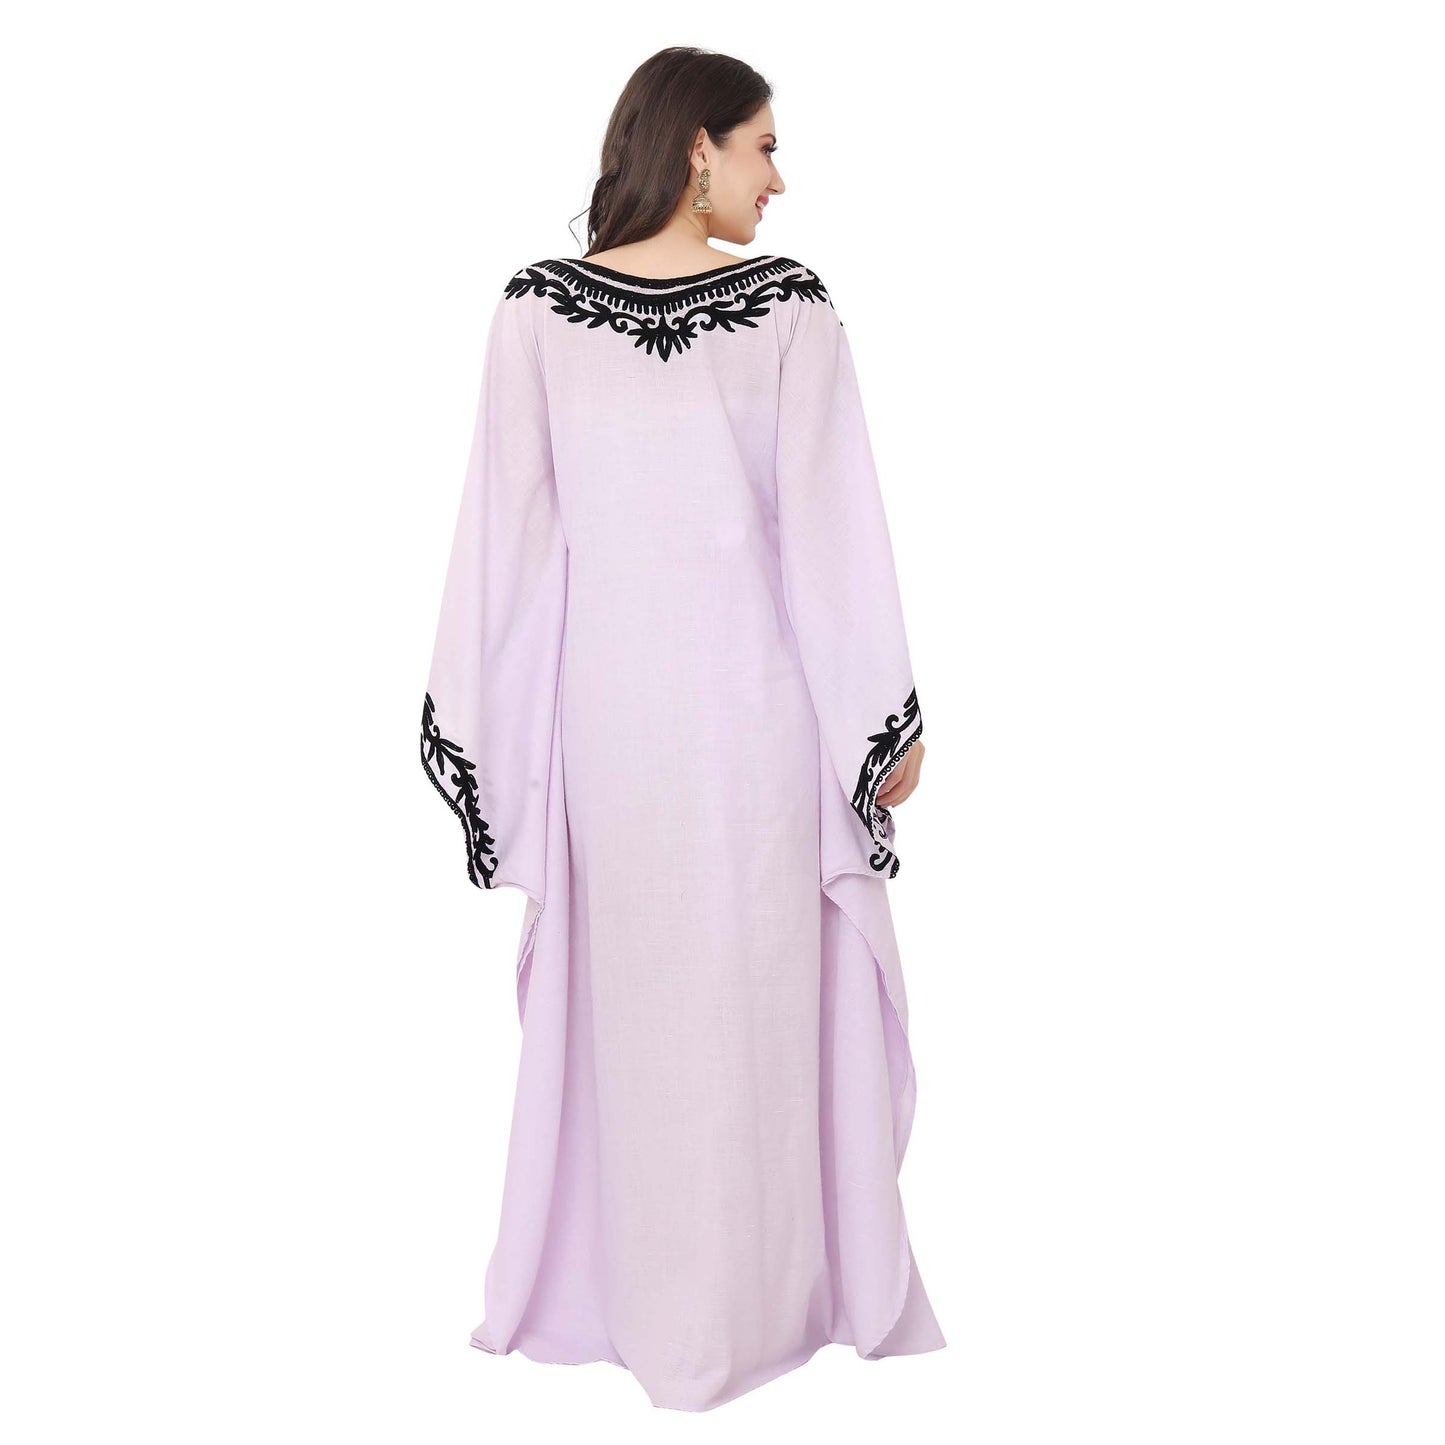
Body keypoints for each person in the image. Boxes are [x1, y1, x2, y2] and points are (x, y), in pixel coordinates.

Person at [418, 46, 944, 1412]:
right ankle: (651, 1304)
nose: (781, 177)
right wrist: (486, 737)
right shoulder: (537, 312)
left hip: (757, 731)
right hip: (615, 739)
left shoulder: (789, 311)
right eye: (763, 146)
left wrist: (873, 721)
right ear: (696, 146)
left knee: (755, 1016)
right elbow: (508, 537)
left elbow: (831, 529)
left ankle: (759, 1305)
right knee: (645, 1019)